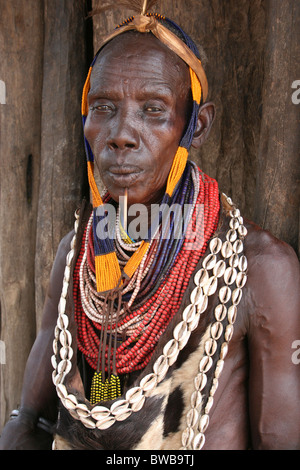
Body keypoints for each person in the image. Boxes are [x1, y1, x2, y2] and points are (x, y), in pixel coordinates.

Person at [0, 7, 299, 451]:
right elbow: (29, 421)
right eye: (103, 107)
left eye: (153, 110)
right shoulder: (77, 260)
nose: (121, 134)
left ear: (195, 125)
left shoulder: (258, 269)